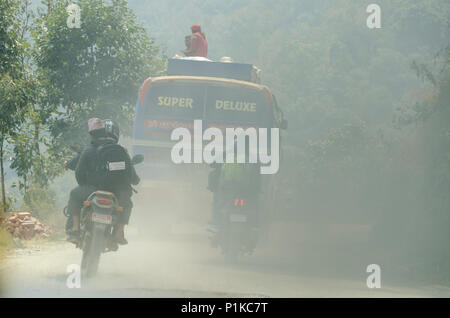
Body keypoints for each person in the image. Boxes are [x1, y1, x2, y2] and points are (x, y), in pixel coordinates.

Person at [66, 118, 140, 245]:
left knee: (74, 194)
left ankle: (75, 227)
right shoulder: (121, 152)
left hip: (93, 189)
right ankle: (118, 233)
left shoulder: (89, 149)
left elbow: (79, 172)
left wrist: (85, 185)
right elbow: (133, 178)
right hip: (116, 194)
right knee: (127, 204)